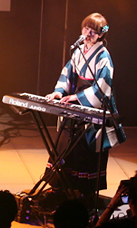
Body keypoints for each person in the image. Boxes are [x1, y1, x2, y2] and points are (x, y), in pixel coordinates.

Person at [45, 12, 125, 199]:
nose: (88, 33)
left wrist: (77, 97)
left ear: (101, 35)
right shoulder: (79, 51)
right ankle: (59, 186)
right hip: (76, 101)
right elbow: (68, 74)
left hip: (92, 104)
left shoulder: (103, 56)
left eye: (93, 31)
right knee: (64, 142)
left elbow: (103, 86)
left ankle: (85, 191)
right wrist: (59, 92)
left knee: (86, 148)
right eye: (86, 28)